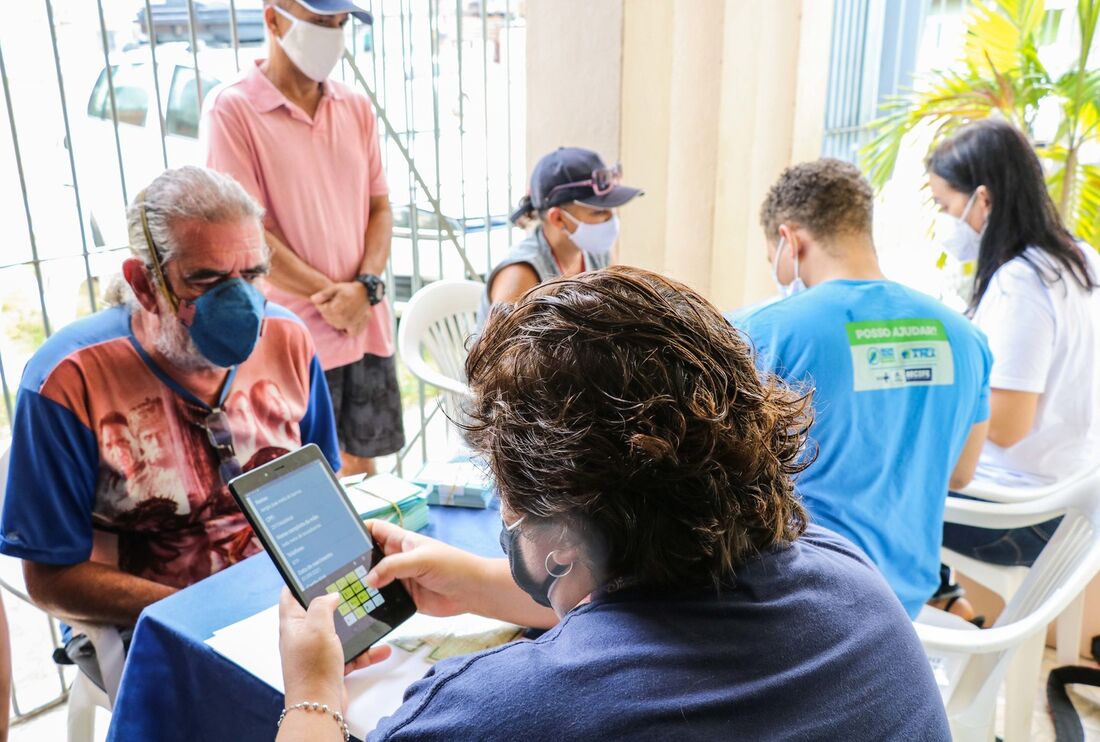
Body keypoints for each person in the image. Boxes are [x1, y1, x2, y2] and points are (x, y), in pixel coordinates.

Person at [275, 267, 950, 740]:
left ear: (559, 540)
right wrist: (476, 581)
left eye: (508, 511)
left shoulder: (496, 715)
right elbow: (641, 603)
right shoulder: (852, 581)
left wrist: (313, 688)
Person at [0, 166, 339, 677]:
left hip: (281, 606)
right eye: (206, 279)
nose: (241, 303)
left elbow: (324, 489)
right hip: (146, 624)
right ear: (143, 283)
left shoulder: (288, 340)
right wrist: (203, 615)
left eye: (252, 275)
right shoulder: (69, 380)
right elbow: (51, 577)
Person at [731, 159, 991, 619]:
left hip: (797, 600)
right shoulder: (965, 338)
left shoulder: (759, 331)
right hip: (902, 602)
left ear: (789, 240)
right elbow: (961, 473)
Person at [204, 0, 402, 479]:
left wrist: (365, 289)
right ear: (273, 19)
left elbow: (380, 207)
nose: (333, 35)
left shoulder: (353, 106)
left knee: (366, 475)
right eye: (319, 23)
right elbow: (248, 234)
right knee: (306, 483)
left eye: (339, 25)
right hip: (295, 337)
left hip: (363, 322)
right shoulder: (233, 109)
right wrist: (329, 296)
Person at [928, 118, 1100, 571]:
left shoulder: (1021, 282)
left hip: (1019, 515)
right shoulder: (1082, 260)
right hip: (1074, 500)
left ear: (982, 199)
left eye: (945, 206)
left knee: (866, 491)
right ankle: (948, 601)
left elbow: (1006, 426)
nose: (944, 222)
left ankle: (906, 621)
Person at [476, 146, 643, 326]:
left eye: (612, 209)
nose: (611, 219)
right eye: (599, 212)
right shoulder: (521, 273)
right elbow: (498, 351)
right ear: (558, 218)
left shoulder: (596, 253)